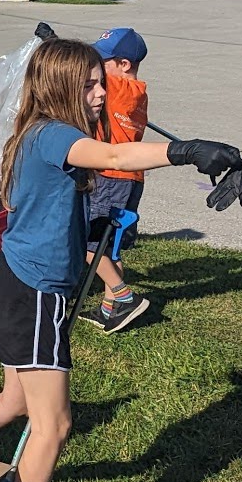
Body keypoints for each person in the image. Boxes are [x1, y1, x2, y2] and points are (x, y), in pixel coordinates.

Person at [0, 38, 241, 482]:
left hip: (13, 281)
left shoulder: (35, 132)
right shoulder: (56, 134)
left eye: (101, 83)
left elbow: (51, 203)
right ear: (60, 89)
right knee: (54, 426)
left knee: (14, 401)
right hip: (32, 293)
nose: (101, 94)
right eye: (88, 86)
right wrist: (185, 151)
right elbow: (117, 158)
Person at [84, 27, 152, 334]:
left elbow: (76, 76)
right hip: (130, 178)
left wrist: (53, 44)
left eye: (103, 63)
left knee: (86, 243)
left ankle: (124, 297)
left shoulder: (118, 88)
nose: (97, 71)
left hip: (111, 177)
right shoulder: (137, 92)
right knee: (109, 249)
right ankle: (110, 310)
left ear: (124, 65)